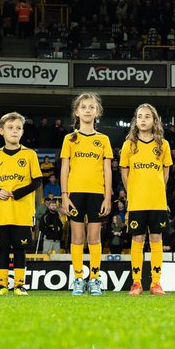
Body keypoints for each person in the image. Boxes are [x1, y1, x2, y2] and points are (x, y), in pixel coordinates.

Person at [0, 112, 42, 295]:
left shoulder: (29, 154)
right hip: (1, 213)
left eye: (18, 128)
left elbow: (37, 181)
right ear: (1, 131)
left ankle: (19, 285)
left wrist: (17, 193)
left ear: (22, 132)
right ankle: (2, 285)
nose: (14, 131)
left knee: (20, 249)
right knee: (1, 249)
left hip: (22, 213)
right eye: (10, 128)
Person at [60, 93, 113, 295]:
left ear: (97, 112)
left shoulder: (103, 140)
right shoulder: (69, 139)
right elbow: (65, 168)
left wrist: (107, 197)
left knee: (94, 237)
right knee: (77, 236)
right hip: (75, 194)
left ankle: (95, 279)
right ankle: (78, 278)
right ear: (77, 111)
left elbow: (107, 170)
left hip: (97, 194)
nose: (88, 110)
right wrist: (65, 195)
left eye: (91, 107)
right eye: (84, 107)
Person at [119, 103, 172, 296]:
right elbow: (124, 172)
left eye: (147, 116)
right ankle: (137, 283)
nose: (143, 119)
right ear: (135, 120)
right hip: (137, 201)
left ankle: (156, 283)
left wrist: (159, 190)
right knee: (137, 238)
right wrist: (132, 191)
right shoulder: (129, 145)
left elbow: (165, 172)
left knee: (157, 238)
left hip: (157, 201)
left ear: (154, 120)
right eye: (139, 116)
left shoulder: (163, 144)